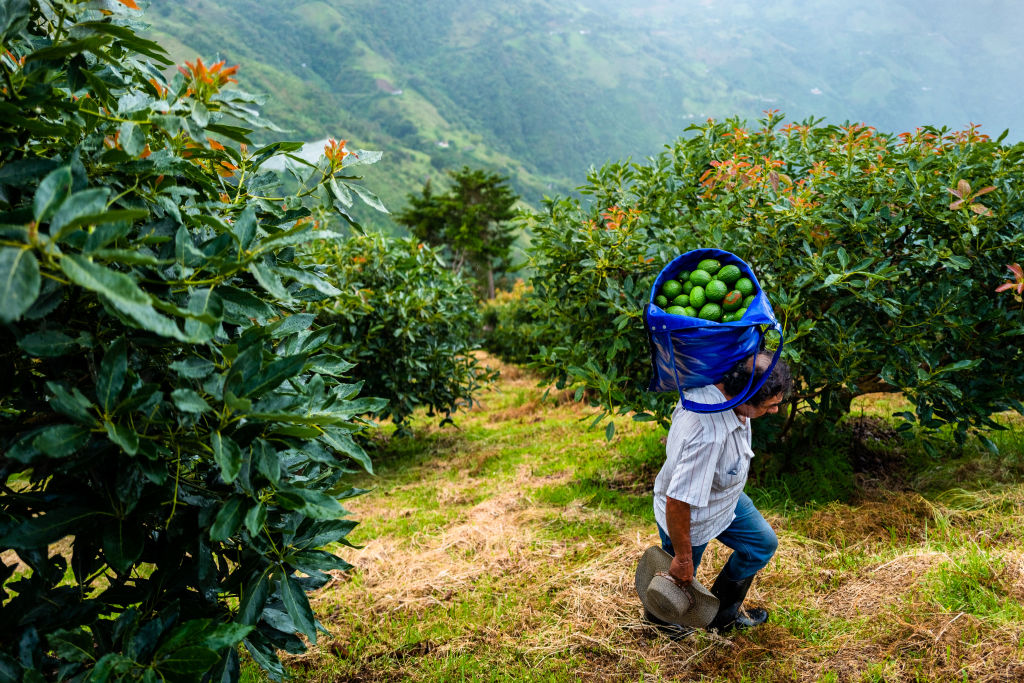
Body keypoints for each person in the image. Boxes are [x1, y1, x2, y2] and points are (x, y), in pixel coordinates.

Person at [649, 351, 793, 633]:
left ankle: (722, 615)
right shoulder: (707, 436)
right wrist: (682, 557)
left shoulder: (725, 385)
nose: (775, 410)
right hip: (690, 518)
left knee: (761, 544)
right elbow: (678, 502)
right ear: (744, 398)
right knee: (677, 581)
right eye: (769, 405)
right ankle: (663, 624)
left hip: (724, 499)